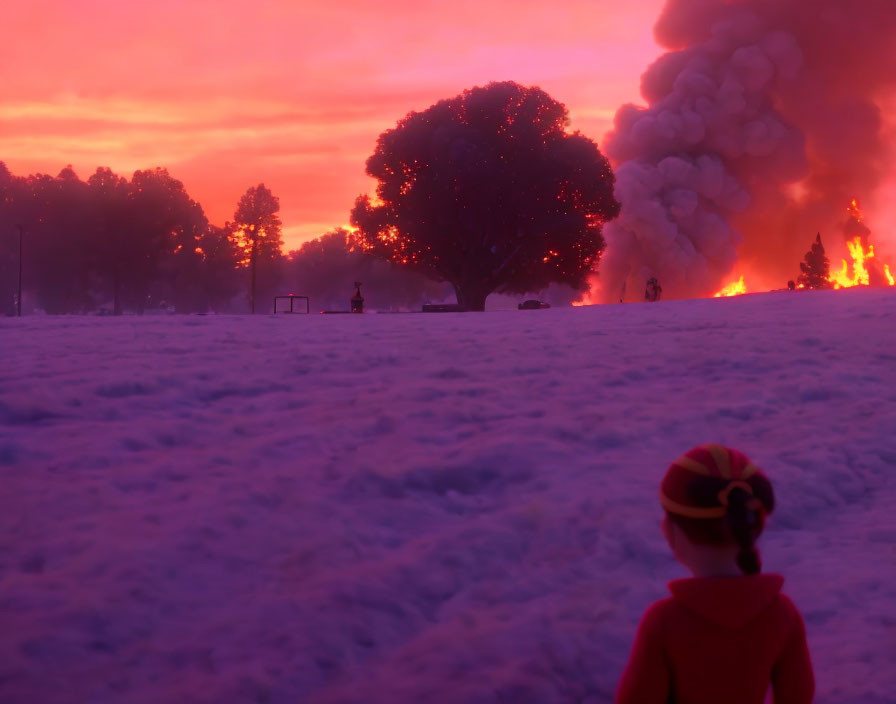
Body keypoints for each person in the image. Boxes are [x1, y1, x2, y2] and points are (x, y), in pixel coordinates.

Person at [616, 444, 815, 704]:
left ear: (671, 531)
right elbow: (798, 695)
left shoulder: (663, 622)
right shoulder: (783, 614)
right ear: (754, 528)